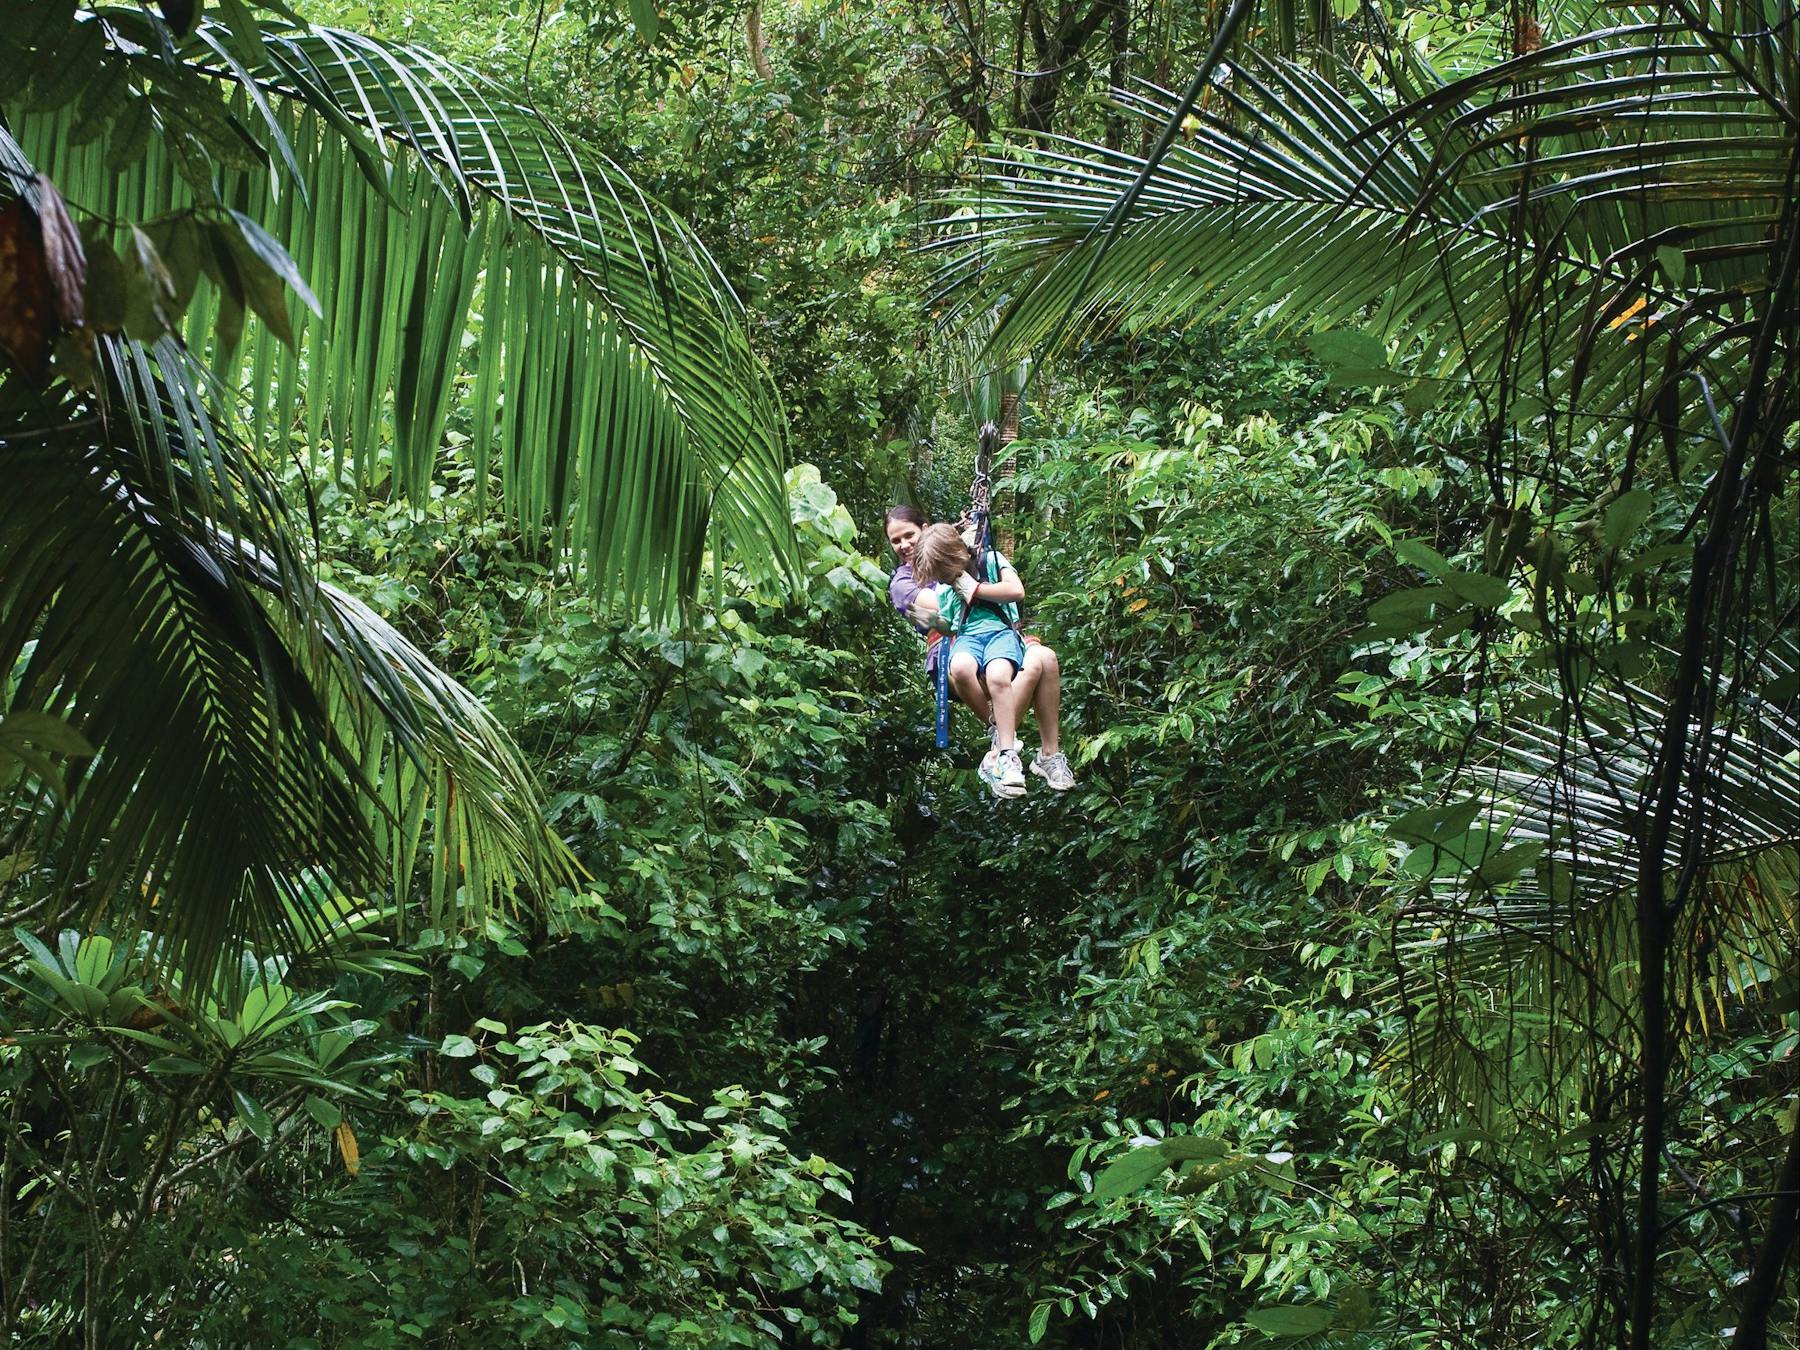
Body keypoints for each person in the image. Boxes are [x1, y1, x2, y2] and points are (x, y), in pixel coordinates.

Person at [884, 506, 1075, 797]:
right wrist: (955, 581)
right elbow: (940, 610)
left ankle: (1047, 754)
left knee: (1045, 658)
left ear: (924, 528)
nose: (904, 545)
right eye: (895, 541)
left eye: (909, 536)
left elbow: (1002, 585)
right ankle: (1001, 746)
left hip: (996, 637)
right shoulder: (906, 581)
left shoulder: (960, 556)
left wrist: (964, 548)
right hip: (956, 653)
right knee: (1027, 668)